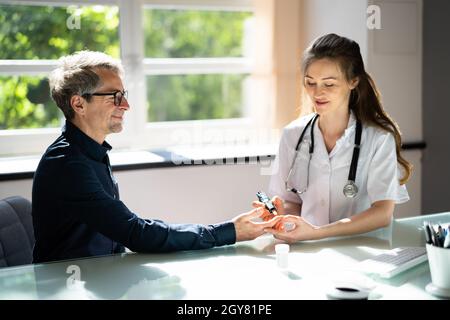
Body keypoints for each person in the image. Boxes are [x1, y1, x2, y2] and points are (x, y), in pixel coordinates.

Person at [32, 51, 281, 263]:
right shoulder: (67, 163)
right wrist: (229, 232)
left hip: (98, 277)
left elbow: (115, 237)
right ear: (78, 104)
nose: (126, 105)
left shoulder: (91, 152)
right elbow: (135, 233)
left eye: (124, 94)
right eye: (115, 96)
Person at [254, 33, 412, 242]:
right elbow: (291, 201)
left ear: (353, 81)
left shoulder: (379, 138)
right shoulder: (292, 135)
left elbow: (382, 213)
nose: (317, 92)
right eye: (310, 82)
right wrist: (279, 214)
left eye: (329, 84)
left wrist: (319, 232)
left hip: (365, 252)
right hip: (309, 250)